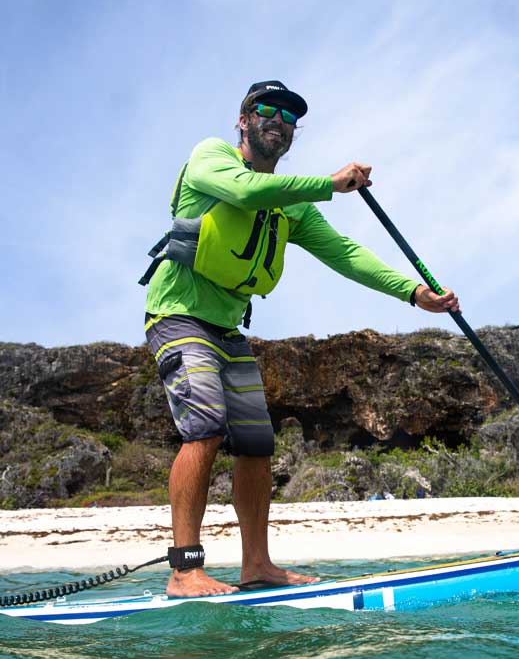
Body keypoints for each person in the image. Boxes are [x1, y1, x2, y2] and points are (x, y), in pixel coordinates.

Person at [142, 80, 459, 597]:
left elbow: (345, 254)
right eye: (265, 109)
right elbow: (245, 192)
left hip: (227, 330)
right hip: (177, 315)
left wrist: (414, 293)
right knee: (204, 425)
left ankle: (256, 565)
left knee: (257, 445)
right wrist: (330, 184)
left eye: (289, 116)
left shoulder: (294, 207)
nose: (278, 119)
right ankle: (184, 569)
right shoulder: (212, 157)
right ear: (242, 121)